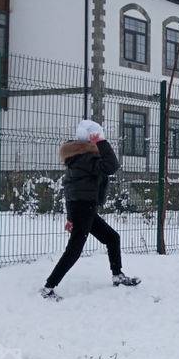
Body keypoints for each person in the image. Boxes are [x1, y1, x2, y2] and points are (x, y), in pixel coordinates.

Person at [41, 120, 140, 301]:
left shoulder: (79, 157)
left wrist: (71, 216)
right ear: (92, 138)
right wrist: (101, 142)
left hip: (83, 207)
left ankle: (117, 275)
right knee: (74, 250)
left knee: (112, 237)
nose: (101, 138)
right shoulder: (86, 157)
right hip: (83, 208)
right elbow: (111, 166)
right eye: (98, 136)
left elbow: (70, 188)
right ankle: (48, 287)